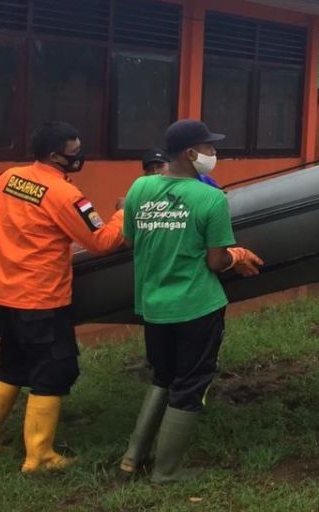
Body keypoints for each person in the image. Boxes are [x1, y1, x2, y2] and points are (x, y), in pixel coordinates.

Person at [0, 121, 125, 472]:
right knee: (55, 369)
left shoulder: (9, 178)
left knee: (13, 366)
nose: (79, 157)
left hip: (5, 297)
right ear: (55, 155)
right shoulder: (64, 195)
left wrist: (5, 239)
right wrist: (123, 214)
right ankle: (40, 456)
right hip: (42, 300)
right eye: (74, 152)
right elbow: (102, 242)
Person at [117, 119, 263, 483]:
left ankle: (132, 459)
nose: (215, 154)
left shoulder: (140, 188)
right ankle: (166, 471)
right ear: (191, 153)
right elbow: (216, 260)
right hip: (198, 307)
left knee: (163, 376)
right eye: (210, 148)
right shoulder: (210, 198)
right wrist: (239, 256)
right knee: (191, 382)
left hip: (154, 305)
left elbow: (132, 240)